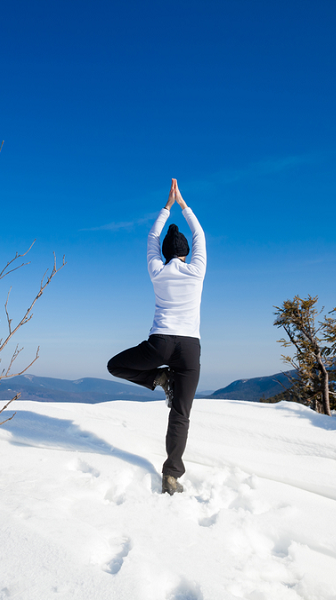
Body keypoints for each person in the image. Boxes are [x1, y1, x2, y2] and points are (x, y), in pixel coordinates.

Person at [107, 179, 206, 495]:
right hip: (190, 348)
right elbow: (199, 234)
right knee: (181, 414)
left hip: (160, 344)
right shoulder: (197, 270)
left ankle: (160, 379)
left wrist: (166, 206)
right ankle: (172, 475)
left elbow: (151, 236)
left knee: (116, 365)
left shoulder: (157, 270)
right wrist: (183, 205)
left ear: (164, 253)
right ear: (187, 253)